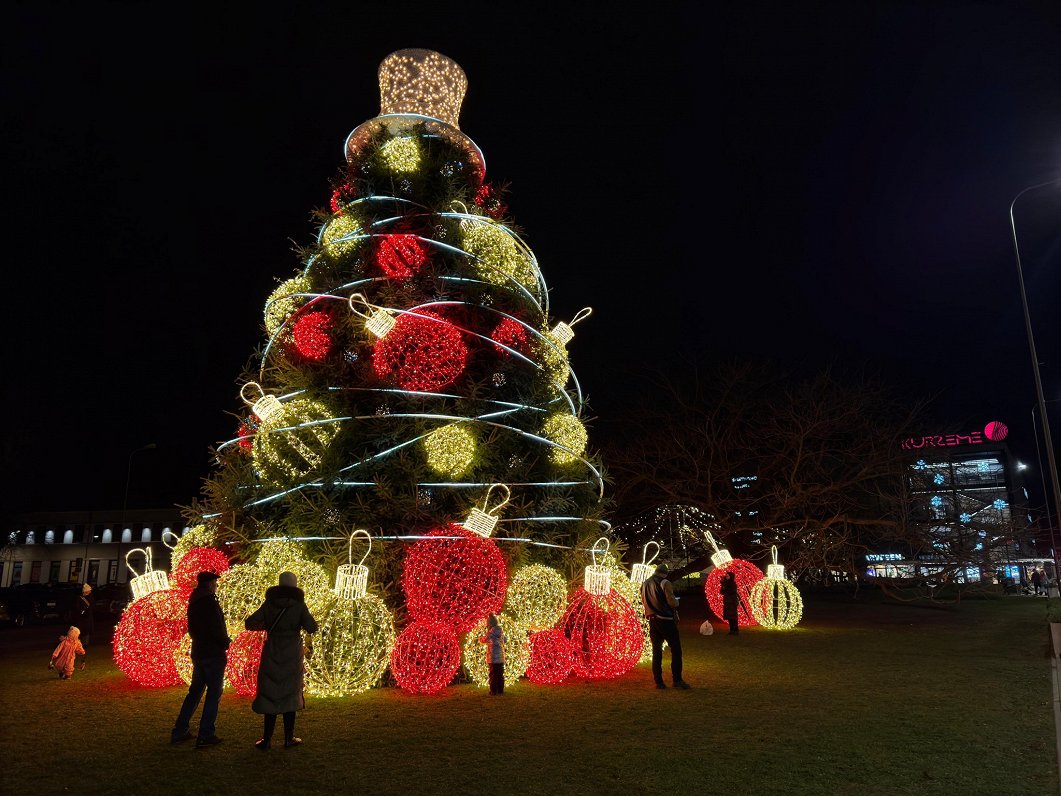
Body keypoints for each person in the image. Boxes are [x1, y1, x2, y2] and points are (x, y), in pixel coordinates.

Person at [245, 571, 319, 751]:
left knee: (270, 692)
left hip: (272, 649)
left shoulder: (269, 603)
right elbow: (312, 627)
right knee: (290, 692)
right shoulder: (300, 605)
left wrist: (269, 626)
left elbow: (250, 623)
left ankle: (267, 739)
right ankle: (288, 738)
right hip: (292, 651)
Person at [171, 571, 230, 748]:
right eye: (215, 583)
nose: (216, 586)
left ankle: (179, 730)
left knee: (195, 692)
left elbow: (193, 629)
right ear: (210, 584)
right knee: (214, 693)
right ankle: (206, 734)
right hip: (213, 652)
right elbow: (216, 627)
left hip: (199, 651)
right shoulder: (209, 602)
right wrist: (225, 642)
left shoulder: (194, 601)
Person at [640, 562, 690, 690]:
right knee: (676, 650)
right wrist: (677, 602)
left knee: (656, 651)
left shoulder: (645, 583)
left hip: (652, 619)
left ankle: (659, 682)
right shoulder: (665, 583)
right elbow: (672, 602)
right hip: (666, 619)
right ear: (665, 573)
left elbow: (643, 600)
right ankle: (677, 680)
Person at [479, 613, 506, 695]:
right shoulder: (500, 632)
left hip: (493, 658)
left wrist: (480, 638)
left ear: (489, 623)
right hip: (501, 658)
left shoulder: (490, 633)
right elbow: (505, 640)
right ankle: (500, 690)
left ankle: (493, 691)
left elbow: (483, 640)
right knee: (500, 675)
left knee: (493, 675)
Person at [721, 570, 740, 635]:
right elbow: (722, 592)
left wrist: (725, 587)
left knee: (733, 616)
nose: (726, 576)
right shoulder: (725, 583)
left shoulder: (733, 584)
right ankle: (731, 629)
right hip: (727, 602)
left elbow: (731, 592)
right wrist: (723, 585)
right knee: (729, 617)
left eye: (727, 575)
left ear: (731, 576)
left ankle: (736, 629)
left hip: (732, 602)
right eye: (726, 575)